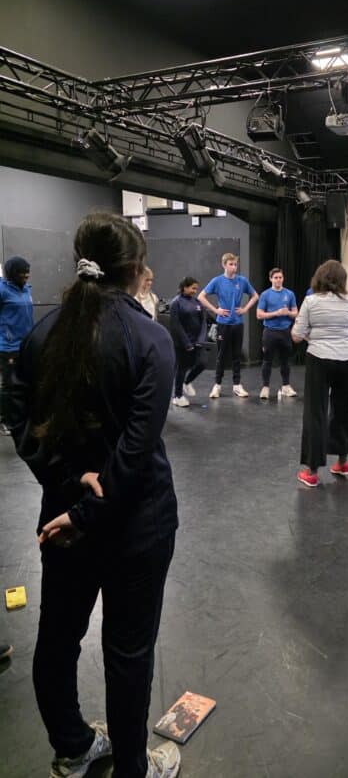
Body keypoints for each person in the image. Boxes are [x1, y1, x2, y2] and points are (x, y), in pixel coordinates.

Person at [6, 213, 180, 778]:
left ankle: (74, 747)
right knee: (128, 654)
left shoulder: (43, 332)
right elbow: (134, 450)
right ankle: (133, 768)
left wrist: (63, 487)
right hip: (136, 524)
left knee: (57, 637)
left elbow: (14, 412)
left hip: (63, 523)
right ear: (136, 271)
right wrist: (87, 508)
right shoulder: (150, 339)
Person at [292, 260, 348, 487]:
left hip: (319, 359)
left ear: (319, 278)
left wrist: (312, 335)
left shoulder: (311, 301)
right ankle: (342, 463)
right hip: (346, 359)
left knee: (316, 412)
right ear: (342, 280)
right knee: (342, 409)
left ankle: (312, 472)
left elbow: (296, 335)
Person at [197, 253, 258, 398]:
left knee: (236, 356)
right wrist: (215, 310)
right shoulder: (217, 281)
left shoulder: (242, 281)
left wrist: (245, 309)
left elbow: (255, 295)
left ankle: (237, 385)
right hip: (223, 324)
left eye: (235, 264)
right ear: (224, 265)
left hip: (238, 324)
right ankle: (217, 386)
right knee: (221, 356)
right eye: (231, 264)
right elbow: (201, 296)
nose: (234, 267)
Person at [0, 256, 33, 435]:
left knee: (24, 383)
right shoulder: (2, 290)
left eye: (28, 273)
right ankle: (5, 420)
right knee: (9, 385)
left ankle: (20, 417)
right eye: (23, 273)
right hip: (9, 346)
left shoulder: (26, 289)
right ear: (13, 273)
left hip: (25, 344)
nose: (27, 276)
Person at [256, 267, 298, 399]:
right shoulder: (265, 295)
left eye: (280, 277)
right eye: (275, 278)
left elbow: (295, 312)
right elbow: (259, 314)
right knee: (267, 361)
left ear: (283, 278)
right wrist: (276, 313)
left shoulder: (289, 294)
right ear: (270, 279)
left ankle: (286, 386)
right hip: (270, 332)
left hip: (285, 332)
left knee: (285, 361)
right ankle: (265, 387)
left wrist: (288, 313)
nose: (278, 280)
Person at [169, 276, 207, 407]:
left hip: (197, 342)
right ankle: (177, 396)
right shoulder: (176, 303)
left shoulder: (197, 303)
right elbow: (176, 325)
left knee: (202, 364)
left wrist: (200, 340)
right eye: (193, 288)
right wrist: (186, 343)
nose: (195, 291)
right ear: (185, 287)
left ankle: (187, 382)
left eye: (196, 288)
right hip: (183, 344)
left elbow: (203, 322)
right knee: (182, 368)